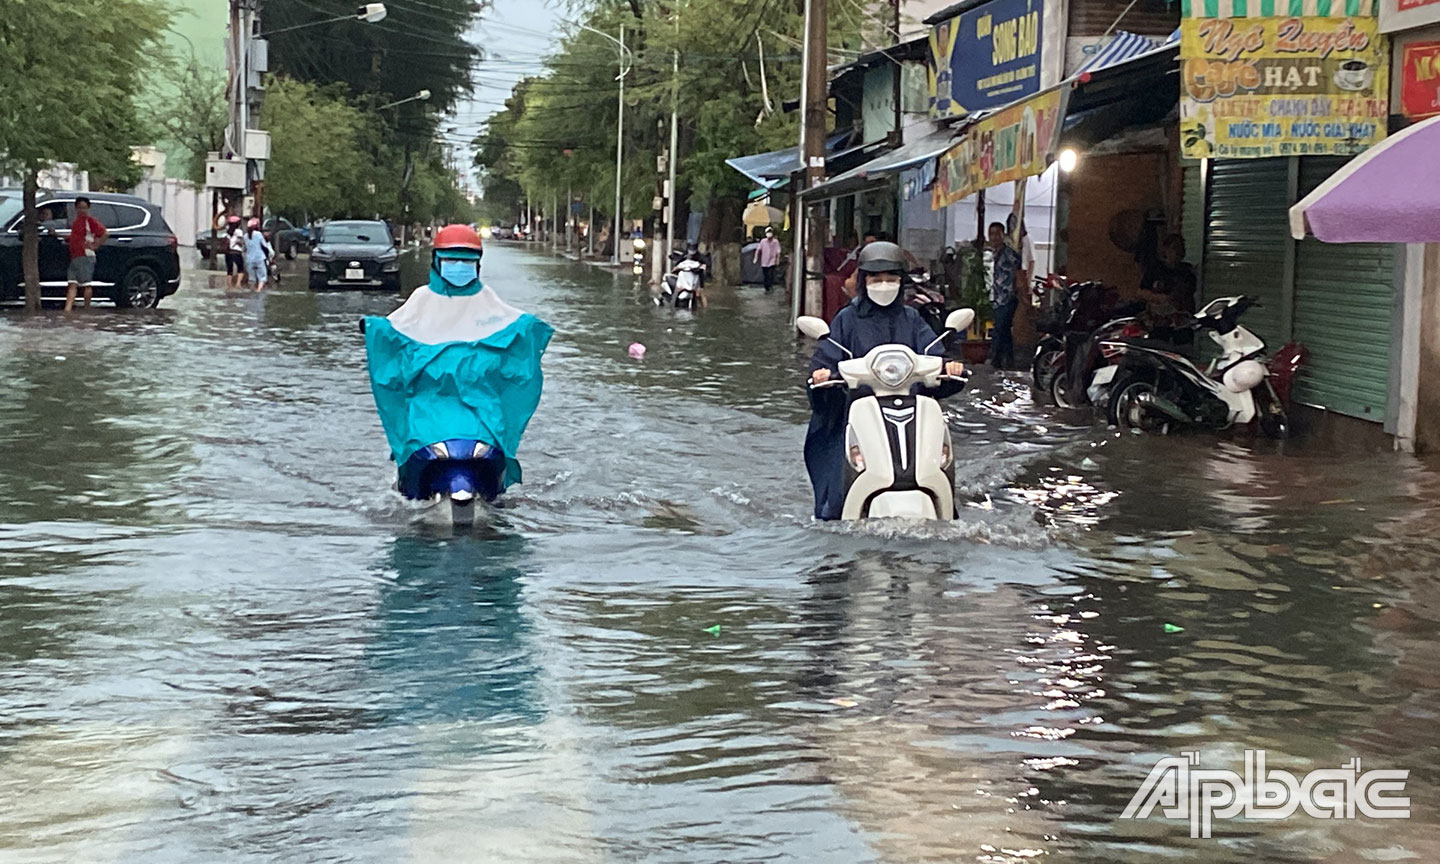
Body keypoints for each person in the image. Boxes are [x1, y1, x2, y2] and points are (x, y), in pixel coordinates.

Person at [363, 224, 552, 497]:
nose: (459, 266)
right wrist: (371, 328)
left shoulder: (489, 303)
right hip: (429, 408)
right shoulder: (421, 302)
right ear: (437, 261)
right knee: (413, 444)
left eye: (467, 260)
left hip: (482, 410)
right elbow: (390, 332)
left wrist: (533, 330)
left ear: (477, 264)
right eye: (452, 259)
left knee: (494, 444)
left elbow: (518, 332)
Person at [804, 241, 966, 521]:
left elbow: (933, 353)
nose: (883, 284)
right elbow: (827, 358)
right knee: (837, 482)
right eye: (876, 278)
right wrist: (823, 375)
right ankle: (838, 512)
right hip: (860, 412)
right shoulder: (847, 320)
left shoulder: (912, 319)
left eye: (891, 278)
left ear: (901, 282)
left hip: (911, 409)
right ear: (864, 280)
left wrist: (948, 367)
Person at [987, 221, 1023, 369]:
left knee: (999, 330)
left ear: (1003, 235)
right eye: (991, 234)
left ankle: (995, 361)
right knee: (1005, 331)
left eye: (997, 234)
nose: (994, 237)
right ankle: (1008, 362)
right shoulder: (995, 253)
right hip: (998, 298)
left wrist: (1018, 291)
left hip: (1008, 298)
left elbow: (1018, 272)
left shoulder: (1009, 253)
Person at [63, 197, 107, 312]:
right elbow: (74, 237)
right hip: (75, 257)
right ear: (75, 208)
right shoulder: (76, 222)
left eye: (84, 208)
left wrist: (95, 245)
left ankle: (86, 308)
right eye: (79, 208)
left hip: (86, 256)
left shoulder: (90, 221)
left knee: (86, 284)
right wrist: (57, 234)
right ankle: (67, 310)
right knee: (72, 284)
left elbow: (105, 233)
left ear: (88, 208)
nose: (82, 210)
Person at [243, 218, 274, 293]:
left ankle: (252, 291)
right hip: (259, 259)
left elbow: (245, 248)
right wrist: (268, 257)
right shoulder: (258, 234)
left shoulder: (245, 236)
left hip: (249, 260)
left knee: (252, 278)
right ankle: (258, 291)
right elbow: (264, 246)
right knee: (262, 278)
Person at [754, 227, 782, 292]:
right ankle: (766, 287)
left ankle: (770, 286)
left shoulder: (775, 242)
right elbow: (758, 250)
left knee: (770, 274)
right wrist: (756, 257)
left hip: (772, 261)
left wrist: (777, 259)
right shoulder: (763, 241)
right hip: (764, 262)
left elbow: (778, 252)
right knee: (765, 275)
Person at [225, 218, 246, 290]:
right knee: (240, 269)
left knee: (229, 270)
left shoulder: (228, 231)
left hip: (228, 252)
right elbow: (240, 242)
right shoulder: (239, 231)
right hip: (237, 252)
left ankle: (229, 286)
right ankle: (238, 284)